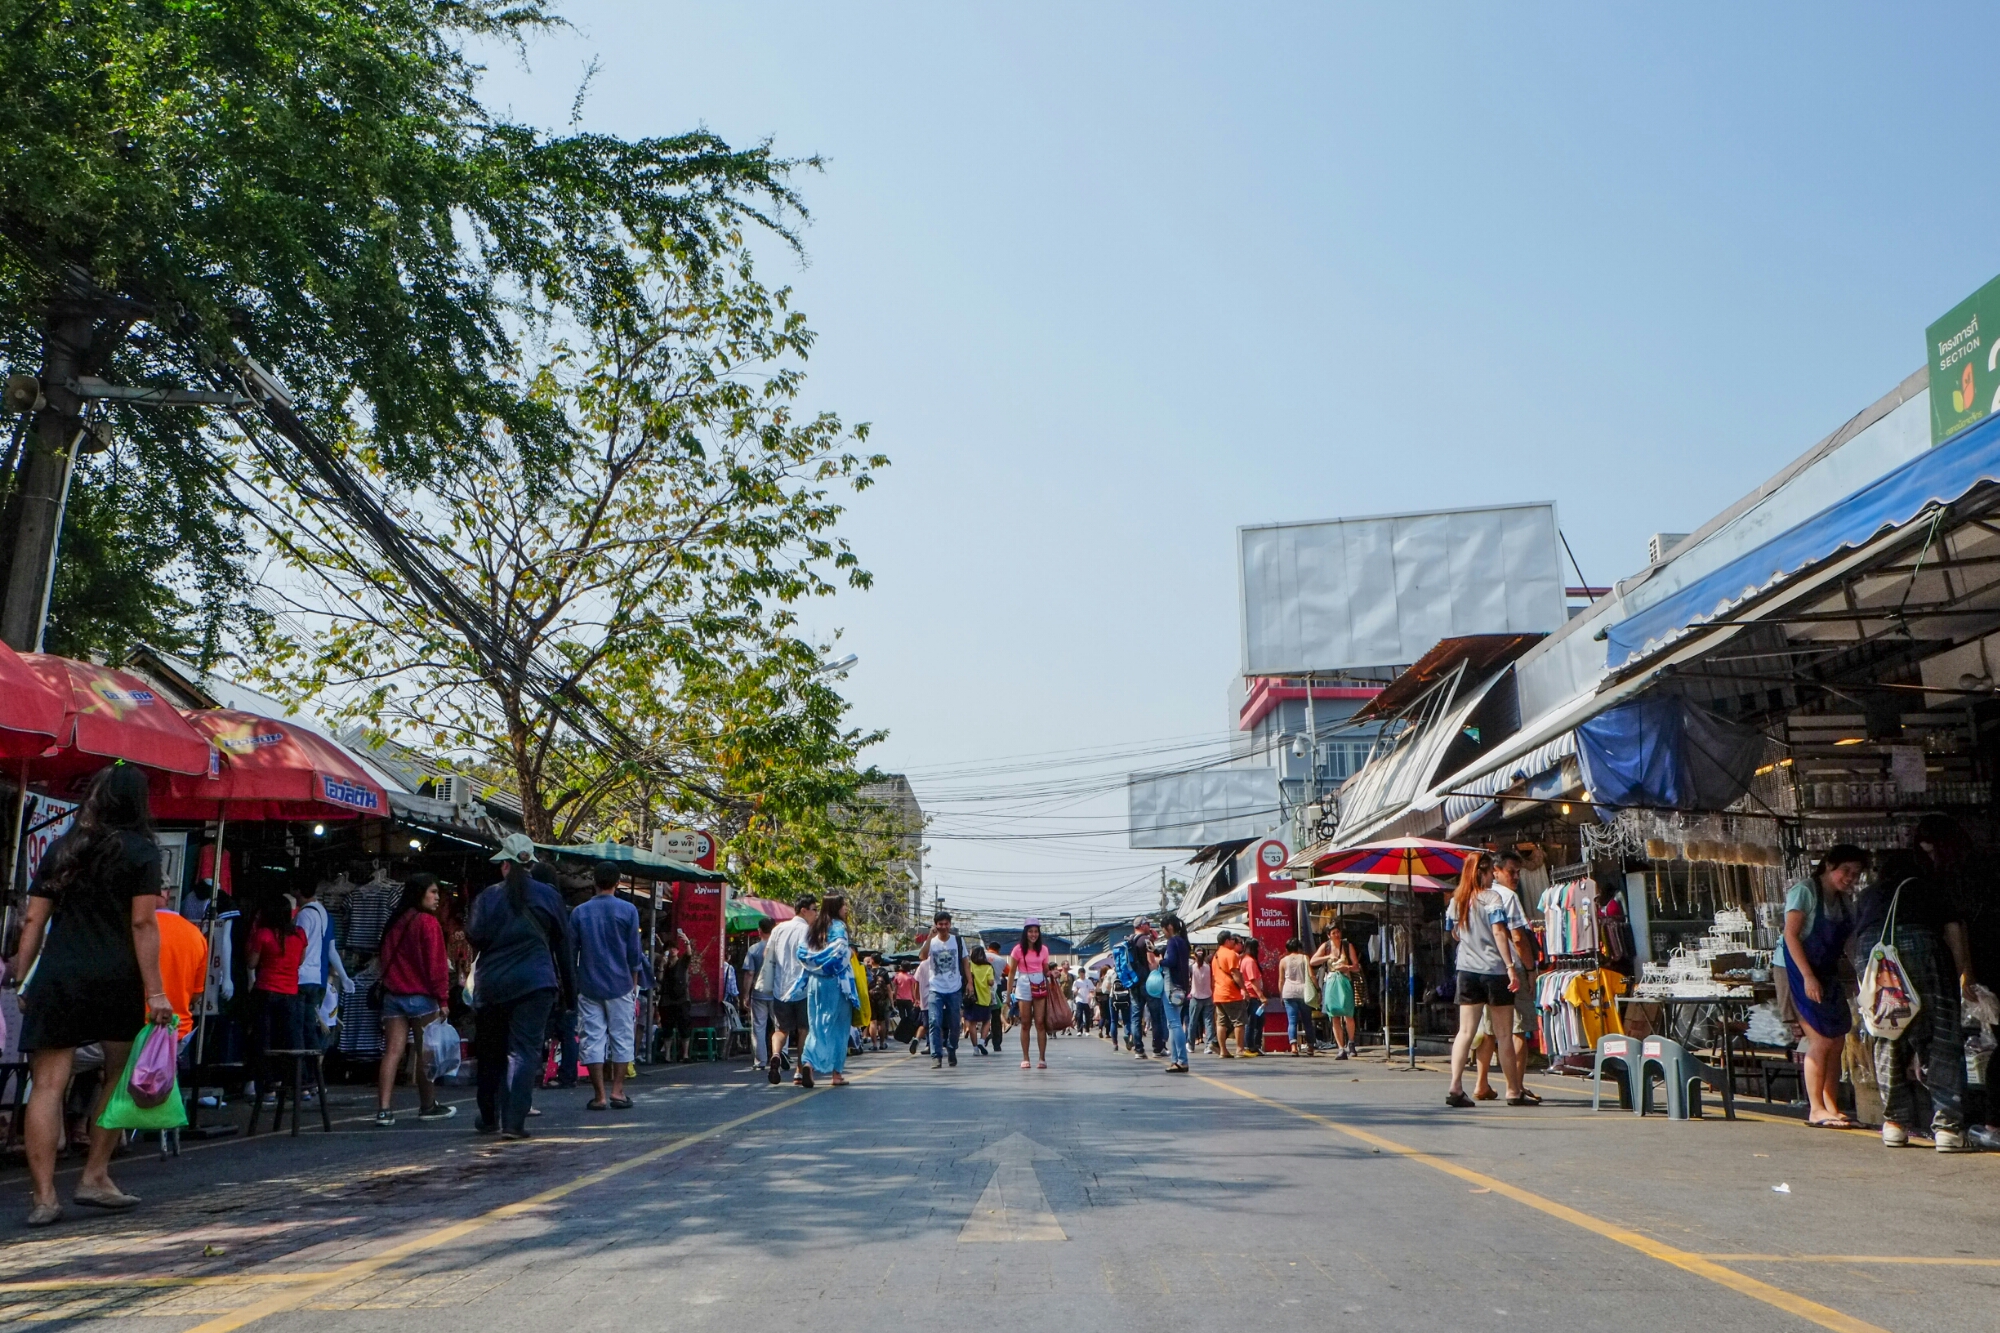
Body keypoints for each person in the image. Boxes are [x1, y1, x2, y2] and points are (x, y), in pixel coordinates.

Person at [10, 765, 178, 1226]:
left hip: (59, 976)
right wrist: (157, 991)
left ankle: (44, 1197)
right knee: (118, 1074)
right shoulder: (142, 852)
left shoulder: (64, 849)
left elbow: (34, 919)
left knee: (47, 1086)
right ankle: (95, 1175)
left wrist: (21, 975)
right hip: (114, 976)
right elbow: (143, 923)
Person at [1856, 847, 1975, 1151]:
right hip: (1924, 949)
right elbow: (1953, 931)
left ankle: (1894, 1124)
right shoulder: (1930, 888)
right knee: (1942, 1037)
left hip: (1876, 956)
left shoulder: (1869, 895)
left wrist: (1863, 982)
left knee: (1888, 1035)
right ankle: (1947, 1128)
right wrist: (1963, 975)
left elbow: (1854, 939)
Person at [467, 833, 575, 1138]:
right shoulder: (550, 896)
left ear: (504, 865)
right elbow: (563, 947)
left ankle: (489, 1116)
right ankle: (514, 1122)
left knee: (491, 1053)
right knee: (523, 1052)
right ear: (531, 864)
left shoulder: (488, 897)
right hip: (536, 984)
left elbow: (474, 935)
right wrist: (571, 994)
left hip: (493, 986)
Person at [1782, 845, 1865, 1130]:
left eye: (1856, 873)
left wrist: (1862, 974)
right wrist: (1807, 976)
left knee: (1838, 1038)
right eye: (1846, 870)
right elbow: (1790, 936)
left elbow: (1850, 943)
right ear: (1829, 865)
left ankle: (1832, 1105)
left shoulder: (1843, 901)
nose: (1850, 877)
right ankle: (1815, 1108)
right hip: (1796, 968)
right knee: (1820, 1039)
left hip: (1826, 971)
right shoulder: (1805, 891)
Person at [1444, 852, 1534, 1109]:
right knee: (1504, 1033)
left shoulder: (1456, 901)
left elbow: (1455, 934)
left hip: (1466, 971)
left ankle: (1455, 1086)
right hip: (1494, 971)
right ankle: (1513, 1090)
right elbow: (1499, 932)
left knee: (1465, 1032)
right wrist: (1510, 967)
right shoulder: (1492, 898)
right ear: (1484, 873)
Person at [374, 873, 453, 1125]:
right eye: (432, 892)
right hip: (421, 997)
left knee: (392, 1052)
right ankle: (428, 1105)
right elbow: (436, 966)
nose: (437, 897)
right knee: (424, 1052)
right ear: (419, 893)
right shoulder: (428, 923)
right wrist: (443, 999)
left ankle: (384, 1110)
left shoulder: (394, 923)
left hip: (393, 996)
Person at [571, 860, 644, 1111]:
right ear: (617, 883)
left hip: (588, 985)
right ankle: (618, 1091)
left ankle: (599, 1095)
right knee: (622, 1038)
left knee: (592, 1039)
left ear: (594, 882)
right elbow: (634, 954)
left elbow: (572, 953)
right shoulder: (628, 911)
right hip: (621, 984)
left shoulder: (579, 913)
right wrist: (634, 985)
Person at [1470, 850, 1537, 1098]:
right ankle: (1515, 1086)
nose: (1516, 876)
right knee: (1517, 1029)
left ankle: (1481, 1084)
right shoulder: (1507, 896)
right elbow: (1518, 938)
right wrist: (1529, 969)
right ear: (1495, 871)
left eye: (1518, 872)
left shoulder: (1475, 896)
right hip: (1512, 969)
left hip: (1485, 969)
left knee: (1489, 1030)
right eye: (1512, 871)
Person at [788, 895, 856, 1087]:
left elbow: (802, 953)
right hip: (837, 982)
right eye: (844, 905)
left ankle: (808, 1063)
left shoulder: (813, 928)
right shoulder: (839, 927)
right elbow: (841, 954)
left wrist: (818, 966)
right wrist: (850, 953)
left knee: (817, 1026)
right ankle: (836, 1074)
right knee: (840, 1028)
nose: (846, 909)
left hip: (815, 982)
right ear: (836, 907)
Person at [248, 893, 307, 1070]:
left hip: (266, 991)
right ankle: (291, 1080)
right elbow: (300, 960)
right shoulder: (299, 934)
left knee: (264, 1040)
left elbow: (251, 963)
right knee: (289, 1039)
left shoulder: (263, 934)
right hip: (291, 992)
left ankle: (267, 1085)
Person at [766, 895, 816, 1086]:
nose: (816, 913)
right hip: (803, 989)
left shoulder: (778, 929)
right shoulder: (809, 931)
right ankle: (799, 1070)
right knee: (804, 1030)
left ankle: (777, 1055)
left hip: (781, 989)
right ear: (803, 910)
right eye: (814, 909)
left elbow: (767, 954)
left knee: (781, 1030)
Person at [153, 883, 209, 1051]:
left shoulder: (129, 928)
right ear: (168, 894)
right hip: (175, 1031)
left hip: (132, 1032)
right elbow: (196, 994)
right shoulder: (195, 935)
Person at [920, 909, 972, 1069]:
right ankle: (936, 1056)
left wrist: (970, 982)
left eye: (946, 924)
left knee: (955, 1023)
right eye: (940, 924)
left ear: (950, 925)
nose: (943, 927)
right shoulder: (932, 942)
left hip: (954, 988)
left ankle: (951, 1048)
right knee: (934, 1021)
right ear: (935, 925)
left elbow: (965, 962)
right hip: (935, 988)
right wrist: (929, 937)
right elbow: (922, 956)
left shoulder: (957, 941)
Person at [1007, 919, 1056, 1069]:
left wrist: (1052, 973)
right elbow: (1012, 972)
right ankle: (1025, 1058)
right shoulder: (1017, 950)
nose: (1033, 934)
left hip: (1040, 983)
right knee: (1025, 1023)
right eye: (1030, 931)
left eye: (1036, 931)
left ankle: (1042, 1058)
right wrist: (1008, 994)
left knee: (1040, 1022)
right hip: (1023, 983)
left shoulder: (1044, 950)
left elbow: (1045, 969)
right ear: (1025, 932)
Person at [1310, 923, 1361, 1058]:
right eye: (1333, 933)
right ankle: (1340, 1048)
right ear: (1328, 935)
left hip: (1345, 981)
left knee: (1348, 1014)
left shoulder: (1347, 946)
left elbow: (1356, 966)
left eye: (1338, 932)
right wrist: (1327, 957)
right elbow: (1312, 961)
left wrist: (1347, 967)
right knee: (1334, 1016)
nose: (1336, 935)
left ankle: (1351, 1042)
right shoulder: (1326, 947)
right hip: (1331, 982)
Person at [1153, 915, 1193, 1072]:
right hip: (1181, 988)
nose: (1164, 933)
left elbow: (1171, 962)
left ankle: (1182, 1059)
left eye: (1164, 929)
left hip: (1171, 987)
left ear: (1169, 927)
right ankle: (1176, 1060)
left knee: (1174, 1024)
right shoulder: (1183, 942)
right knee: (1173, 1023)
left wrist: (1159, 961)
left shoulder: (1173, 942)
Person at [746, 919, 777, 1071]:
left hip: (758, 992)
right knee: (780, 1025)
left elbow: (749, 973)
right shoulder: (779, 948)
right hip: (777, 991)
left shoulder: (753, 949)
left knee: (759, 1026)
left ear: (759, 931)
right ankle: (780, 1053)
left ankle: (760, 1061)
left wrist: (745, 994)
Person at [1211, 931, 1246, 1058]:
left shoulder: (1216, 955)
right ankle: (1239, 1049)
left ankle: (1223, 1051)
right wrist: (1244, 989)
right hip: (1231, 993)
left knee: (1221, 1023)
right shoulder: (1231, 954)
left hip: (1219, 993)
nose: (1234, 942)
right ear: (1227, 941)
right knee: (1239, 1022)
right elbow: (1235, 974)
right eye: (1232, 939)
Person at [1279, 937, 1315, 1055]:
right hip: (1303, 992)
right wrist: (1317, 989)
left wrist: (1281, 995)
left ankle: (1293, 1047)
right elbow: (1311, 975)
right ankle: (1310, 1047)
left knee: (1292, 1021)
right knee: (1307, 1021)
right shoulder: (1305, 958)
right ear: (1299, 947)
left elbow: (1281, 980)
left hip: (1288, 992)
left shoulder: (1283, 961)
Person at [1238, 938, 1267, 1057]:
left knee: (1257, 1020)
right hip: (1252, 996)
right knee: (1252, 1021)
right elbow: (1252, 980)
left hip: (1252, 996)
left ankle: (1254, 1045)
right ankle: (1250, 1045)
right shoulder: (1249, 961)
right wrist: (1261, 996)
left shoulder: (1245, 960)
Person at [966, 946, 997, 1055]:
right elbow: (991, 982)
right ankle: (982, 1041)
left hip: (972, 998)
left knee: (972, 1024)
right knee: (987, 1021)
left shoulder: (970, 966)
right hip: (985, 998)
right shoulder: (988, 967)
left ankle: (975, 1049)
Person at [1186, 945, 1213, 1055]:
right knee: (1209, 1022)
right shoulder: (1209, 967)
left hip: (1195, 997)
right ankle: (1209, 1046)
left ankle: (1191, 1045)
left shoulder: (1191, 967)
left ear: (1195, 955)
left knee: (1193, 1022)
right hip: (1208, 996)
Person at [1072, 965, 1097, 1036]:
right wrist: (1077, 990)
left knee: (1087, 1015)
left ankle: (1087, 1030)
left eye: (1083, 973)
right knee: (1079, 1015)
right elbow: (1074, 992)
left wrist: (1091, 995)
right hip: (1079, 1000)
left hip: (1087, 1000)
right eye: (1080, 973)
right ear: (1079, 974)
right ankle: (1079, 1030)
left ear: (1084, 974)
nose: (1082, 975)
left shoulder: (1088, 981)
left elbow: (1092, 989)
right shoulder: (1076, 982)